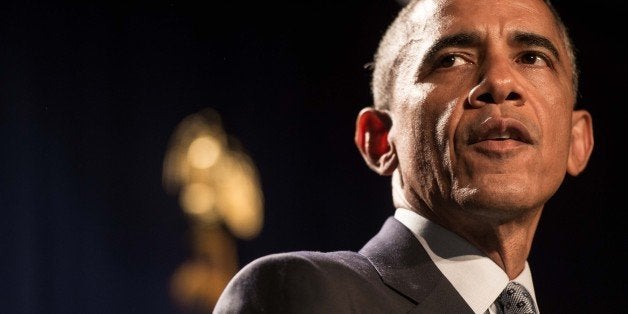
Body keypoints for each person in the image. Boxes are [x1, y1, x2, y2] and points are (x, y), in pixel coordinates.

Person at [213, 0, 594, 312]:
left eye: (532, 57)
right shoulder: (301, 294)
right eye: (451, 59)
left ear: (577, 142)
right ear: (379, 140)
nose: (499, 82)